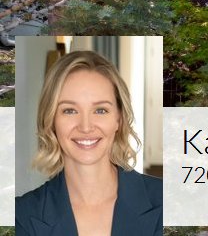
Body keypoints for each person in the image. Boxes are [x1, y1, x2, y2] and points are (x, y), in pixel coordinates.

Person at [16, 50, 163, 236]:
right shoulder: (20, 216)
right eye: (69, 110)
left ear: (119, 119)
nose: (86, 127)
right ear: (51, 120)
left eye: (100, 110)